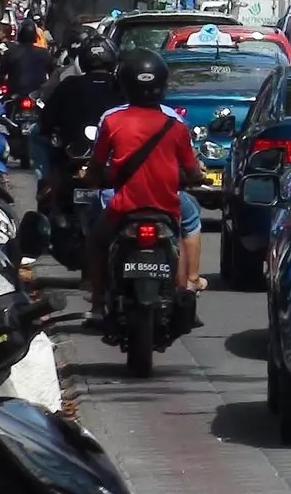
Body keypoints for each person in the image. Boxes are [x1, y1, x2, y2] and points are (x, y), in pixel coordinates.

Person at [83, 50, 207, 308]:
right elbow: (192, 170)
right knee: (179, 239)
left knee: (96, 240)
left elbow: (97, 164)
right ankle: (185, 289)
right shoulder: (175, 125)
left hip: (124, 207)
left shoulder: (113, 120)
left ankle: (96, 300)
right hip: (166, 207)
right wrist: (195, 177)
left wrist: (92, 180)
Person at [36, 40, 121, 195]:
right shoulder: (120, 86)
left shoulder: (69, 84)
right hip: (78, 153)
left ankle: (46, 182)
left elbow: (47, 119)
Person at [0, 21, 54, 98]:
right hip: (36, 94)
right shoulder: (44, 53)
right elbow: (52, 72)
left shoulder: (10, 52)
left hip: (17, 93)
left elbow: (1, 71)